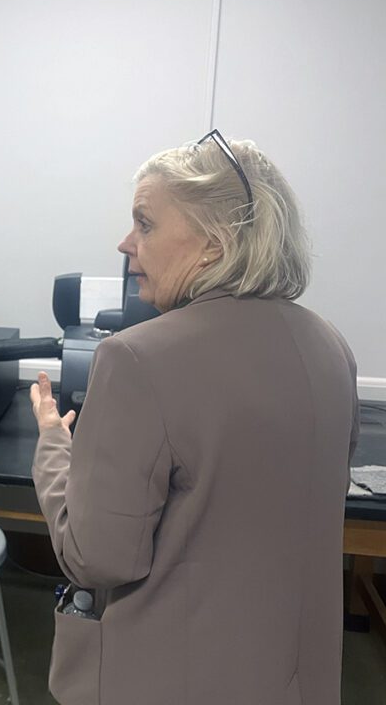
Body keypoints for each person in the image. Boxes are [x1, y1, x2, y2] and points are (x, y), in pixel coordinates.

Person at [30, 131, 358, 705]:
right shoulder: (331, 346)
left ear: (215, 242)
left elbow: (96, 557)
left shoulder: (136, 358)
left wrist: (54, 443)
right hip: (296, 678)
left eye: (145, 224)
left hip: (174, 676)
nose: (126, 244)